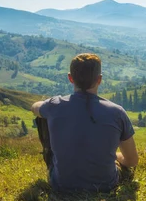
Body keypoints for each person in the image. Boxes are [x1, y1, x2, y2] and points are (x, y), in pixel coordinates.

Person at [31, 53, 138, 192]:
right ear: (99, 79)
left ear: (70, 78)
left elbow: (34, 107)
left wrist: (47, 104)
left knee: (43, 116)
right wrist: (114, 157)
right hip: (105, 185)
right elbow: (132, 161)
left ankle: (52, 156)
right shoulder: (117, 112)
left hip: (61, 184)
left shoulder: (54, 106)